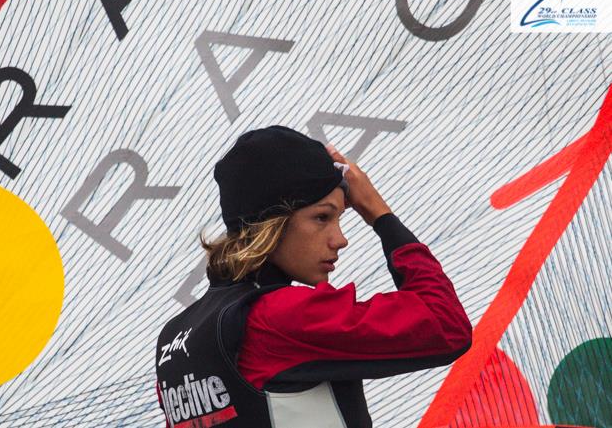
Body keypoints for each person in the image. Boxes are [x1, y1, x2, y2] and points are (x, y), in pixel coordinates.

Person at [155, 125, 472, 427]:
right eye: (321, 217)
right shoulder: (280, 316)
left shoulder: (174, 338)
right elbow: (446, 325)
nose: (340, 239)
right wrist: (379, 213)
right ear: (271, 224)